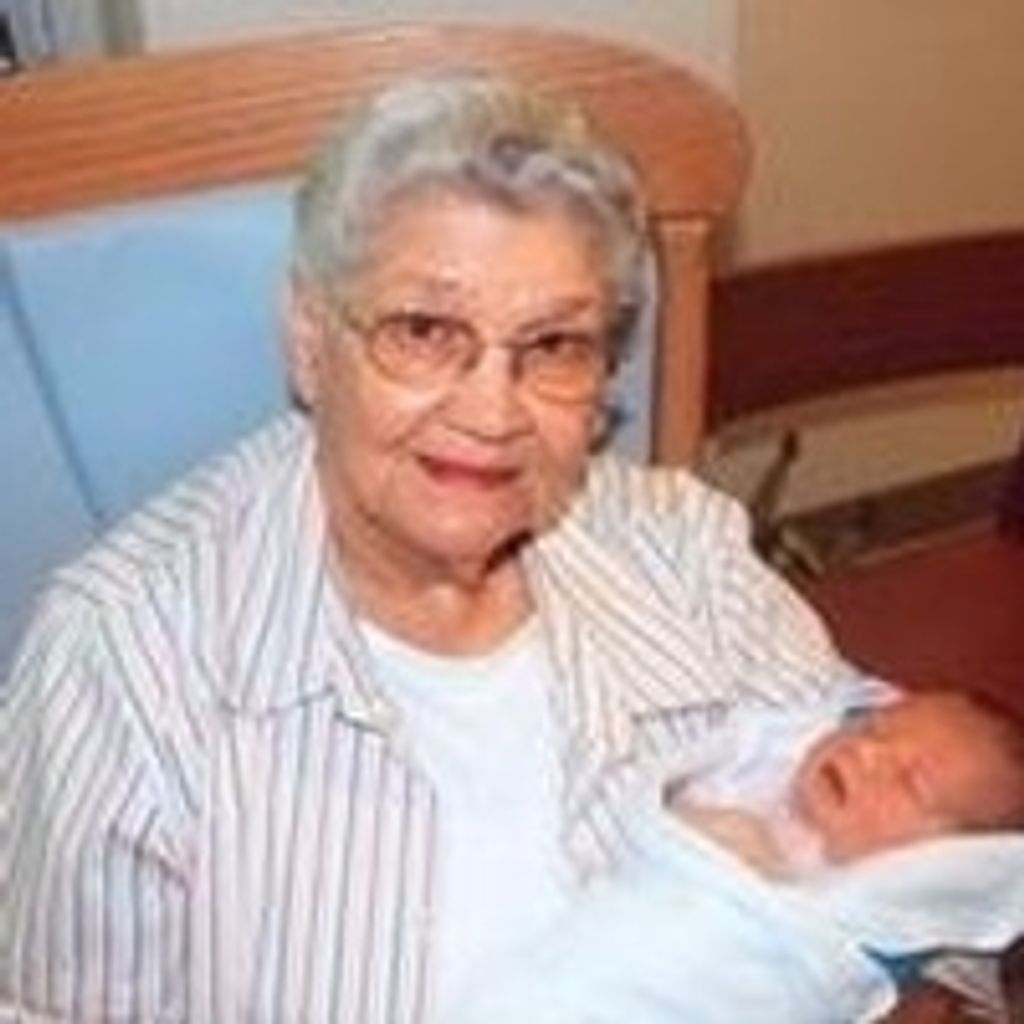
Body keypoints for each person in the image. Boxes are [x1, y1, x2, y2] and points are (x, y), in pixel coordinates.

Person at [0, 70, 972, 1023]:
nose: (491, 412)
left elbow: (941, 884)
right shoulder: (118, 662)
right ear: (308, 338)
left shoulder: (687, 555)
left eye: (553, 346)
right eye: (424, 330)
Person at [452, 690, 1024, 1024]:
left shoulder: (854, 936)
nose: (868, 754)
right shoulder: (746, 790)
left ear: (947, 867)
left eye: (910, 781)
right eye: (873, 727)